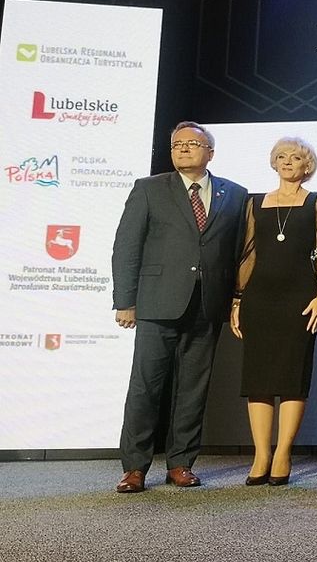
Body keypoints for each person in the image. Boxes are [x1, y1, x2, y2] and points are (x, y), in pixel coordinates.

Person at [112, 121, 248, 493]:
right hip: (157, 303)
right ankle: (135, 467)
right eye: (177, 144)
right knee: (146, 387)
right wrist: (125, 301)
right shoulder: (149, 188)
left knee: (194, 388)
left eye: (192, 143)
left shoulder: (234, 194)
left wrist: (236, 298)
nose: (184, 149)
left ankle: (181, 463)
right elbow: (126, 246)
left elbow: (238, 252)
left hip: (207, 305)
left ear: (211, 153)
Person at [230, 137, 317, 486]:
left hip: (300, 300)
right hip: (260, 298)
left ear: (308, 166)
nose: (288, 162)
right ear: (274, 163)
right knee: (258, 380)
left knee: (292, 379)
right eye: (282, 157)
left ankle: (283, 452)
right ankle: (261, 455)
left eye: (296, 158)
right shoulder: (255, 202)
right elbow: (248, 253)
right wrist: (238, 299)